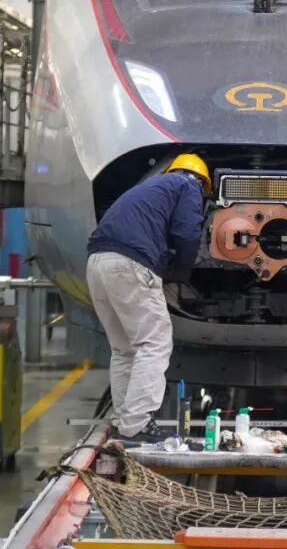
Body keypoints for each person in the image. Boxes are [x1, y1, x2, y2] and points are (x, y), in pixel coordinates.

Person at [86, 153, 209, 443]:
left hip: (97, 262)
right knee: (154, 342)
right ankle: (138, 422)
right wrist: (183, 271)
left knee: (124, 349)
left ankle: (124, 420)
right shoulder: (188, 185)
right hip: (130, 263)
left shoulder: (150, 188)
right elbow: (186, 232)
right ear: (202, 182)